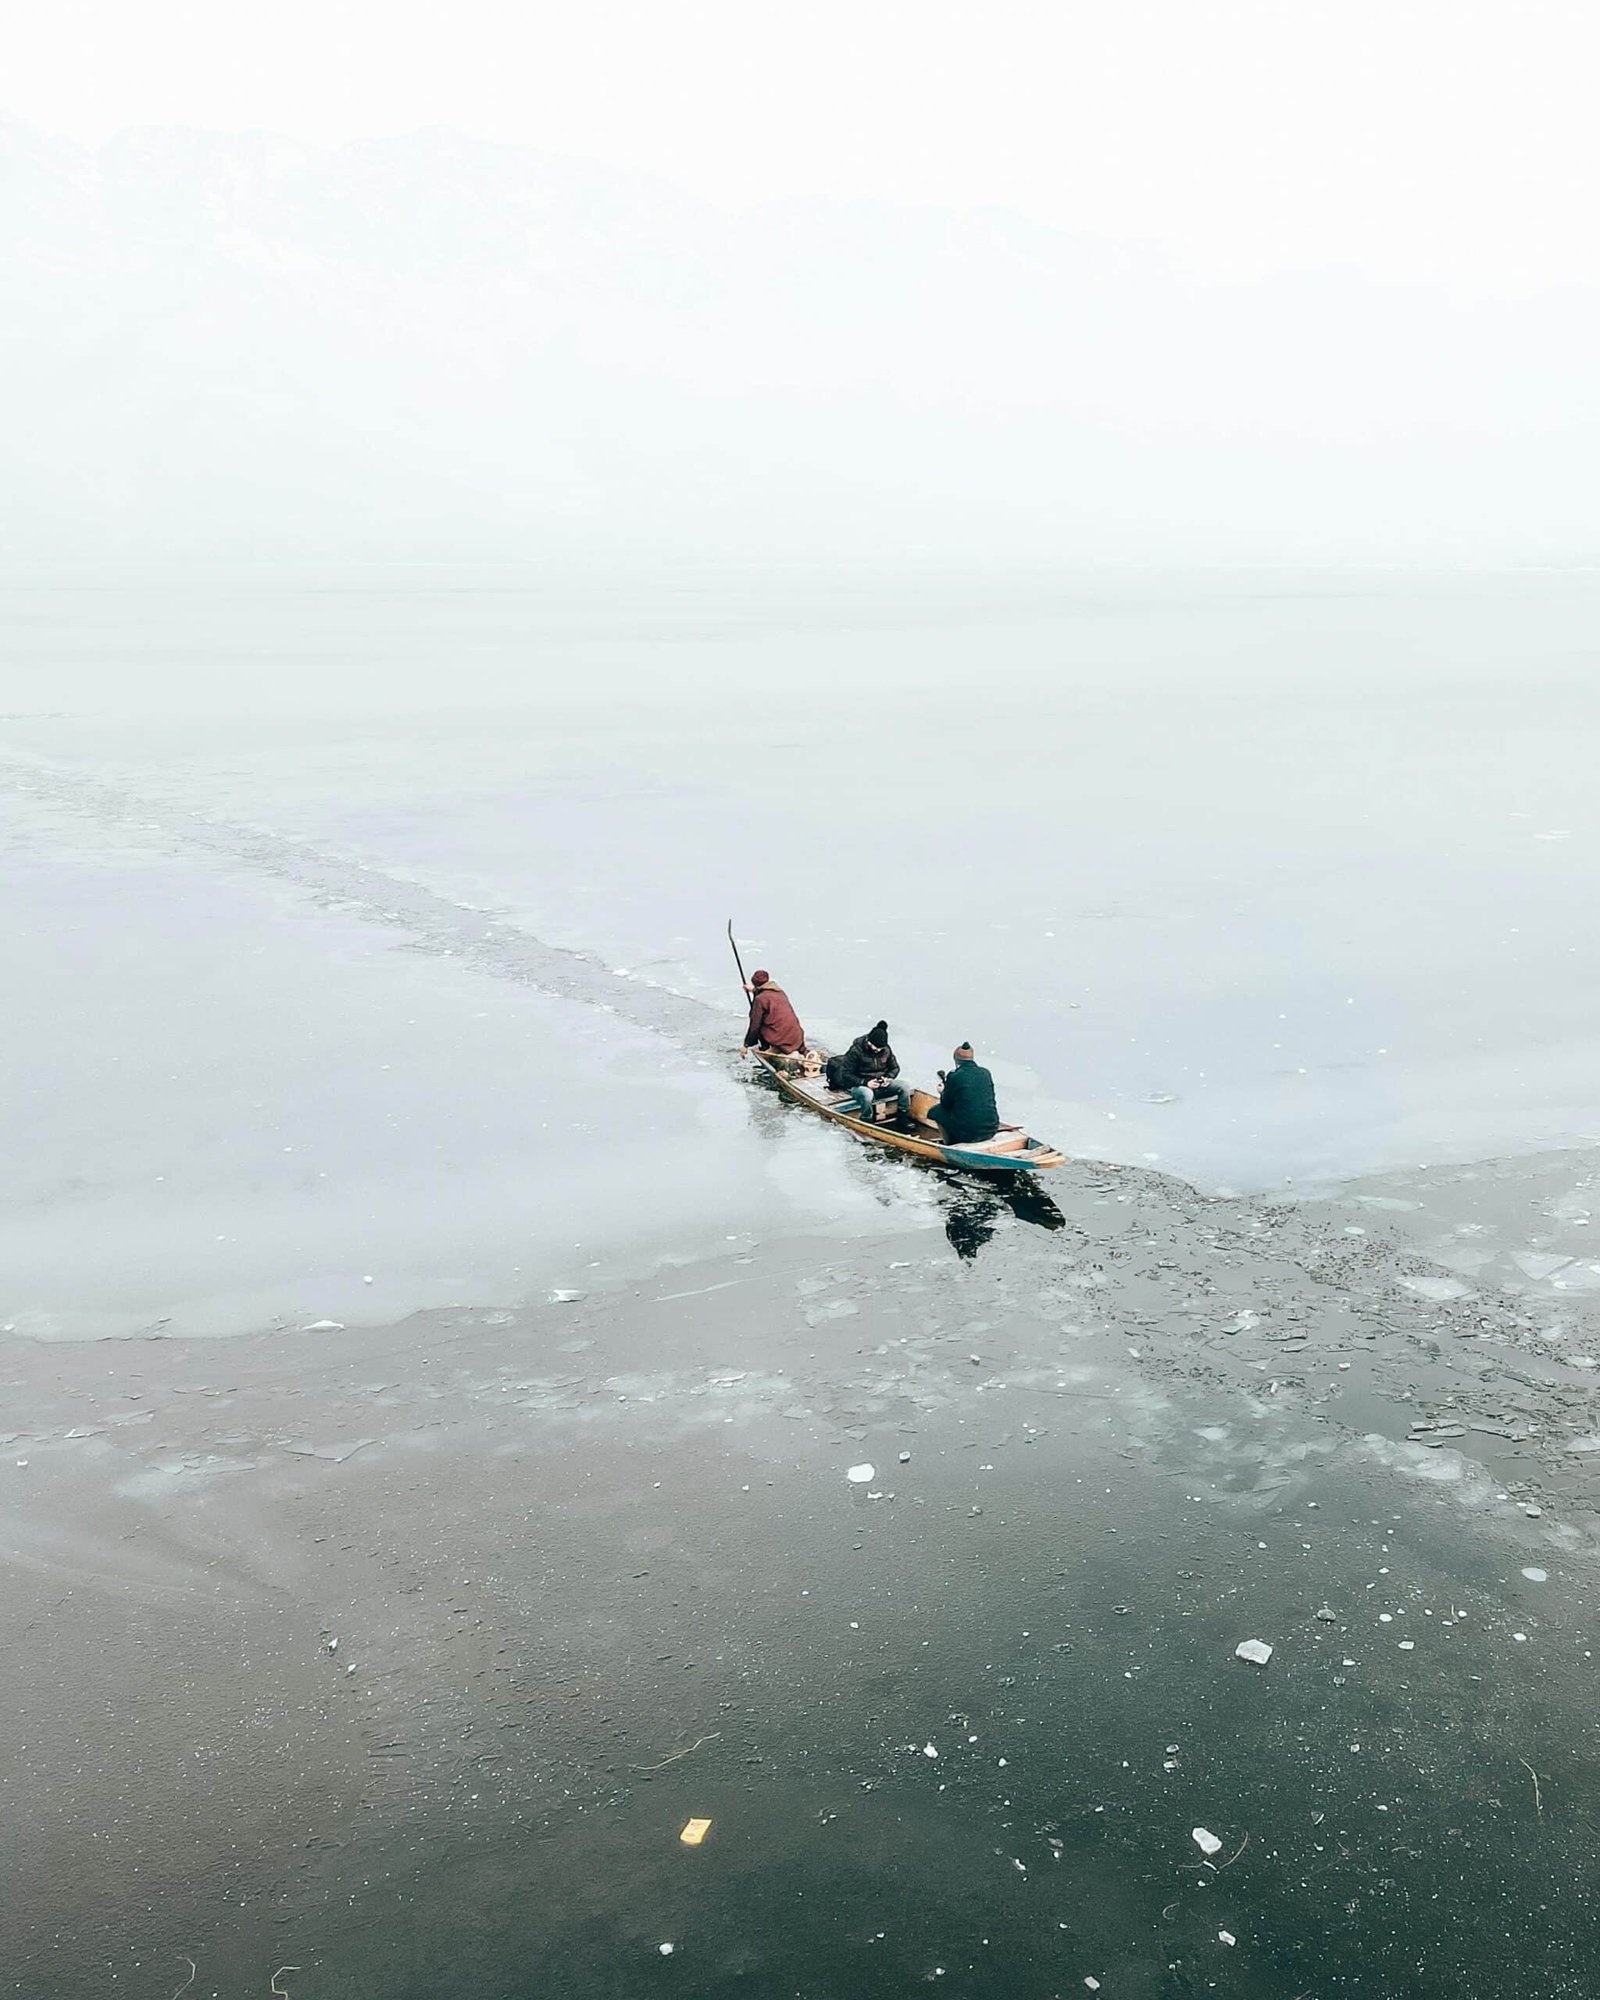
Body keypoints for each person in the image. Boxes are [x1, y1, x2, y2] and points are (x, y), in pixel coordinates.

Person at [827, 1020, 913, 1125]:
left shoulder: (886, 1049)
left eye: (880, 1048)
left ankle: (902, 1118)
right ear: (869, 1042)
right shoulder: (856, 1051)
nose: (878, 1050)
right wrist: (866, 1082)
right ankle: (867, 1120)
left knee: (904, 1086)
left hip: (880, 1083)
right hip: (859, 1085)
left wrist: (887, 1077)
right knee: (867, 1094)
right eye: (875, 1047)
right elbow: (846, 1075)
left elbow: (895, 1068)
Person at [925, 1041, 999, 1143]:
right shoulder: (985, 1073)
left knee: (935, 1111)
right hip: (991, 1129)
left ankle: (949, 1143)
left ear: (956, 1060)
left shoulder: (955, 1076)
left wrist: (942, 1092)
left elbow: (946, 1104)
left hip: (969, 1134)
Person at [741, 970, 806, 1055]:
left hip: (780, 1039)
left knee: (760, 1025)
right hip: (796, 1037)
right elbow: (765, 993)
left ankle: (767, 1048)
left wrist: (746, 1045)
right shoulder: (780, 993)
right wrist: (754, 990)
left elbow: (755, 1025)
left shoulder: (760, 999)